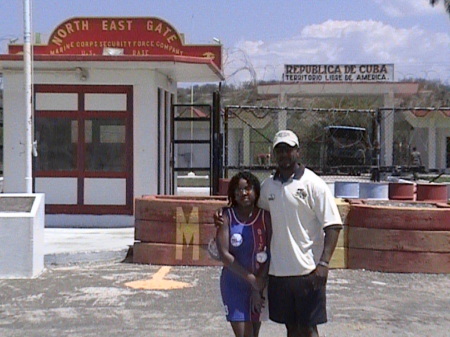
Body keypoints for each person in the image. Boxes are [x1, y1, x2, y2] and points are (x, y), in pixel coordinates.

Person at [215, 130, 343, 337]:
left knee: (309, 329)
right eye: (279, 150)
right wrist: (222, 215)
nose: (284, 154)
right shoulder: (267, 188)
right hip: (279, 273)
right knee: (291, 327)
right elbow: (247, 208)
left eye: (288, 149)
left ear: (298, 152)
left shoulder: (314, 184)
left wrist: (324, 264)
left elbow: (334, 225)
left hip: (308, 272)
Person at [216, 171, 272, 337]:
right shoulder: (226, 216)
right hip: (234, 284)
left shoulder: (265, 217)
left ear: (255, 191)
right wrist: (252, 281)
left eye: (247, 188)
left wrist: (258, 287)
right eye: (238, 190)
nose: (243, 193)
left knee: (254, 334)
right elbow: (224, 255)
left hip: (260, 283)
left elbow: (270, 251)